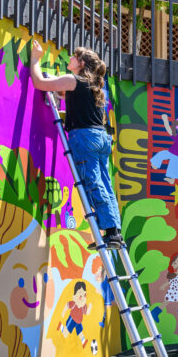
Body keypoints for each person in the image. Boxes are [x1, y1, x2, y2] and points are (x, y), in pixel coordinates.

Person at [30, 43, 122, 250]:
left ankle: (110, 231)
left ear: (81, 63)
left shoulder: (73, 80)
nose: (69, 59)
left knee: (92, 182)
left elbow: (39, 82)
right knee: (105, 184)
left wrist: (35, 58)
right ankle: (115, 230)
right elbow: (68, 96)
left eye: (74, 57)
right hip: (101, 138)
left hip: (85, 137)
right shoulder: (95, 87)